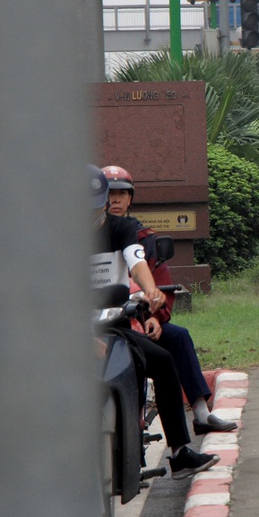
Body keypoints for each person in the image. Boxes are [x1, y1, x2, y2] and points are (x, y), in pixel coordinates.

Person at [88, 165, 219, 480]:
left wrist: (150, 290)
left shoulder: (123, 229)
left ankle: (180, 452)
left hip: (114, 323)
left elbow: (136, 262)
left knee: (162, 361)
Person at [102, 165, 237, 434]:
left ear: (130, 198)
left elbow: (158, 283)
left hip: (138, 320)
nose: (115, 200)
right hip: (98, 321)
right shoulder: (80, 236)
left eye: (122, 194)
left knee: (178, 338)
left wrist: (153, 316)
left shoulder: (141, 237)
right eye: (109, 194)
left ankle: (200, 415)